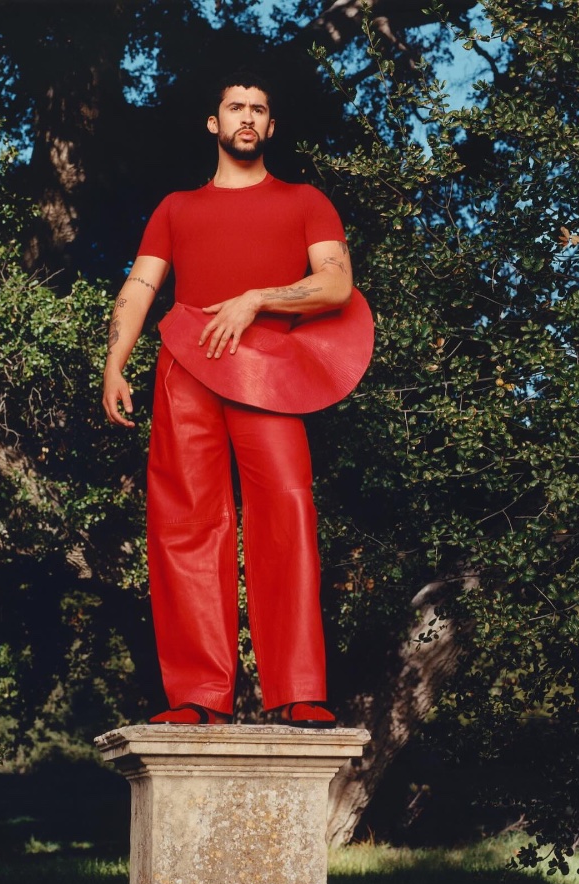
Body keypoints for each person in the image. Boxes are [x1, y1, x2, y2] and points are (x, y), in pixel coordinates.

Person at [102, 71, 369, 727]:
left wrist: (256, 299)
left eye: (259, 108)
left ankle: (300, 689)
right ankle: (198, 695)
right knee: (185, 523)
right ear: (213, 125)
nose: (247, 117)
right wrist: (115, 362)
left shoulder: (306, 200)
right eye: (235, 108)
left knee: (286, 513)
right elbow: (140, 287)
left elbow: (336, 284)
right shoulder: (177, 209)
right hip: (185, 366)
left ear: (271, 127)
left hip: (270, 371)